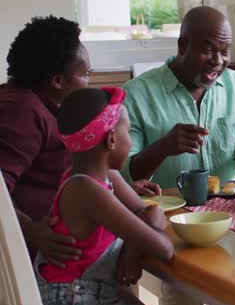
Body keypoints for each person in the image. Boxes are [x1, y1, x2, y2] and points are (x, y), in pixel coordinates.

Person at [0, 16, 161, 266]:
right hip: (41, 264)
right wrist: (32, 230)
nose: (89, 81)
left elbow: (62, 171)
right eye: (85, 74)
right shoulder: (21, 110)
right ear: (57, 81)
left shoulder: (47, 108)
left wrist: (111, 187)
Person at [34, 87, 174, 305]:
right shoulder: (87, 191)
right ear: (111, 140)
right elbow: (164, 248)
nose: (130, 141)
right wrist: (140, 238)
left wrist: (132, 250)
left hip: (95, 290)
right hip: (72, 298)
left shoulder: (104, 175)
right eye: (128, 132)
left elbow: (148, 210)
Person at [121, 6, 235, 189]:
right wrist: (162, 148)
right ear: (182, 46)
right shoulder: (135, 95)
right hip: (166, 212)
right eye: (208, 50)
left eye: (225, 51)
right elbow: (125, 176)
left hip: (230, 210)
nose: (217, 60)